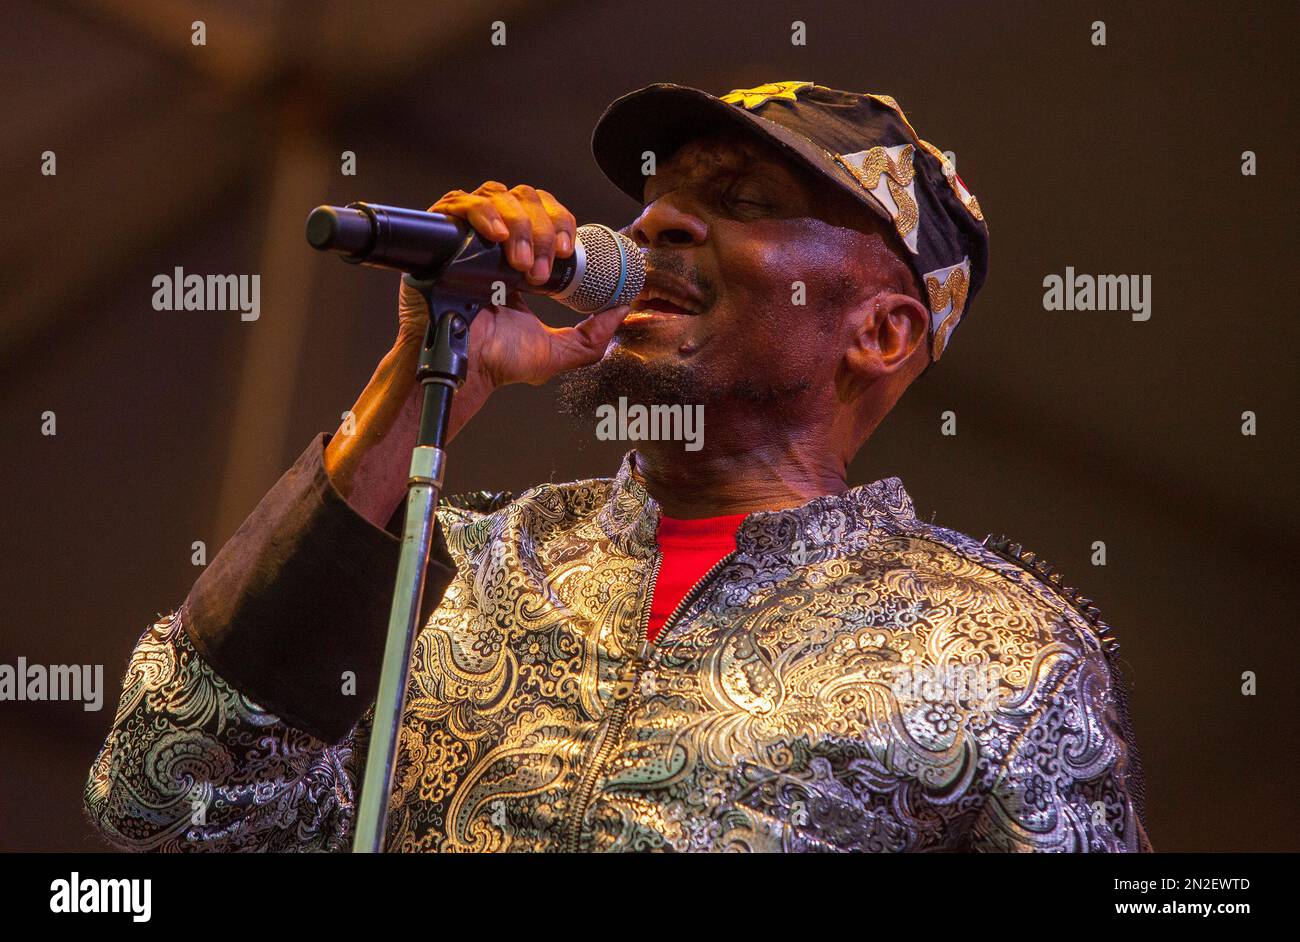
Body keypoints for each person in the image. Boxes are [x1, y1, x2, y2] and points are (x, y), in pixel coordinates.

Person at [85, 81, 1150, 852]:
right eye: (657, 197)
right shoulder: (448, 568)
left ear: (878, 333)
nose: (652, 222)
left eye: (738, 200)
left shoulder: (999, 654)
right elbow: (159, 800)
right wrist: (419, 374)